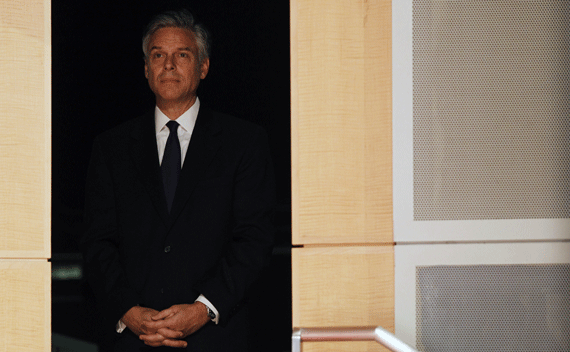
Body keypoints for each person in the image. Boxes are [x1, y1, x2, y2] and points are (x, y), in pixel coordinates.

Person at [80, 9, 275, 351]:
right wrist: (128, 310)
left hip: (217, 338)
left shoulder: (244, 142)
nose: (168, 65)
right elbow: (97, 244)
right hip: (133, 340)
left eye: (182, 55)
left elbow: (254, 239)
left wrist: (203, 309)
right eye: (158, 55)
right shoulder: (110, 147)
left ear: (203, 66)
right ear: (145, 68)